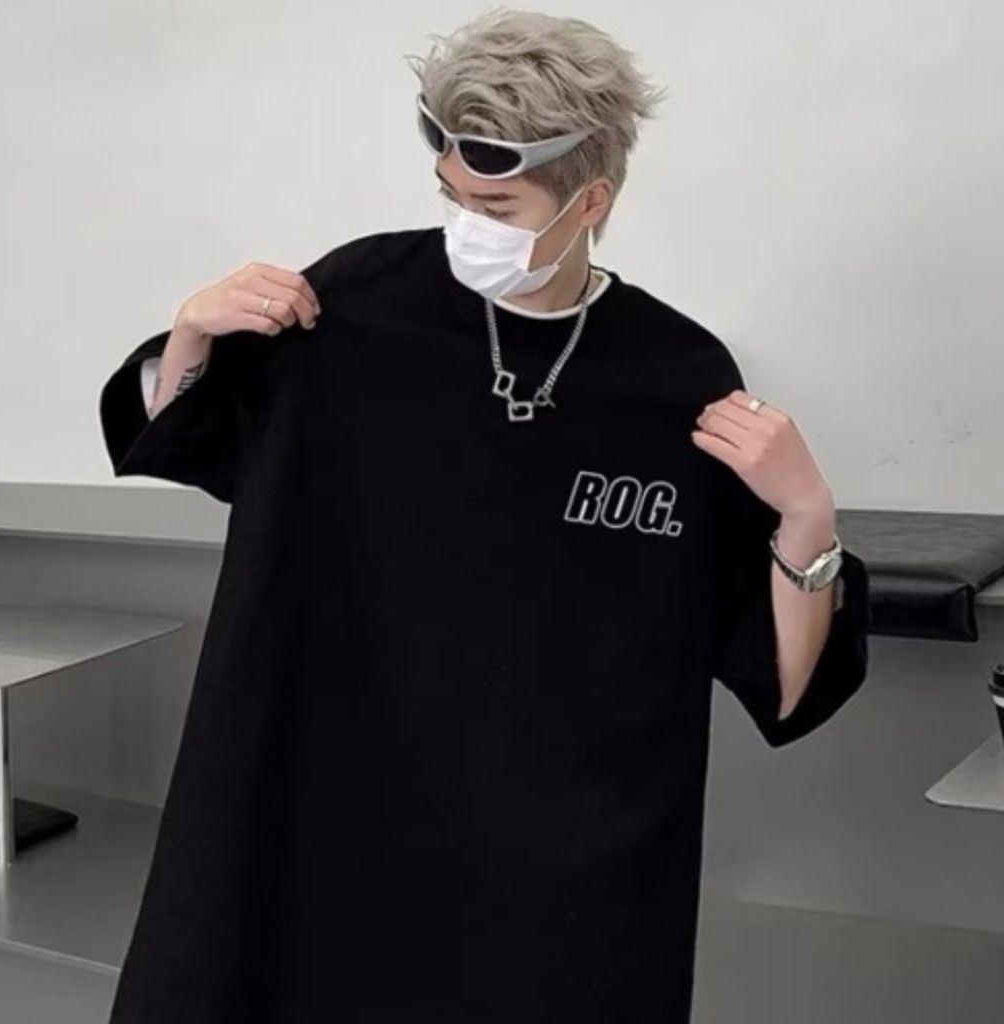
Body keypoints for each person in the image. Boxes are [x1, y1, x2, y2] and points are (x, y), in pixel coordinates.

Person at [99, 8, 871, 1022]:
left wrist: (807, 514)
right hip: (331, 808)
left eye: (498, 205)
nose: (467, 225)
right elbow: (192, 441)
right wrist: (192, 336)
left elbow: (783, 679)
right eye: (451, 194)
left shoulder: (675, 375)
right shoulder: (353, 306)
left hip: (557, 878)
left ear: (590, 200)